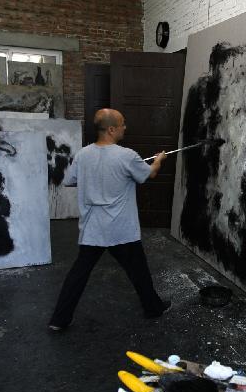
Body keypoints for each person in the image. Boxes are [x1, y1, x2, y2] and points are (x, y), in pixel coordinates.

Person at [48, 108, 168, 331]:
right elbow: (149, 174)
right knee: (138, 270)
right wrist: (159, 160)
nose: (125, 127)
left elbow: (70, 181)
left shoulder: (83, 155)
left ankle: (59, 320)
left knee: (79, 274)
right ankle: (153, 308)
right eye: (122, 124)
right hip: (121, 229)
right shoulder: (127, 155)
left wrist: (92, 177)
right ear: (111, 129)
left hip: (93, 228)